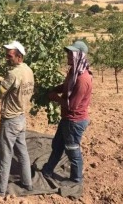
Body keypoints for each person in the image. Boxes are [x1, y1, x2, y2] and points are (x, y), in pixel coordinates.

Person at [0, 40, 34, 197]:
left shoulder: (13, 74)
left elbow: (0, 93)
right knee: (22, 152)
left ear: (19, 56)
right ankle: (27, 183)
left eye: (9, 56)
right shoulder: (28, 70)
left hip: (10, 119)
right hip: (21, 117)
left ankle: (0, 189)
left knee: (5, 155)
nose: (7, 58)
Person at [41, 40, 93, 187]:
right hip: (67, 119)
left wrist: (55, 98)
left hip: (74, 121)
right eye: (68, 52)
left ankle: (76, 179)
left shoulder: (82, 80)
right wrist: (53, 89)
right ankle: (48, 170)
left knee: (72, 150)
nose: (68, 55)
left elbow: (73, 106)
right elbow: (66, 86)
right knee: (57, 145)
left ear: (79, 55)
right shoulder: (74, 72)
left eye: (71, 53)